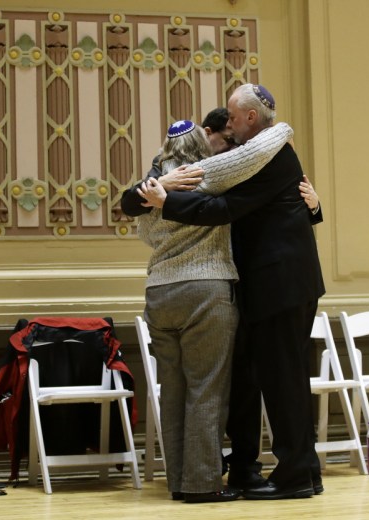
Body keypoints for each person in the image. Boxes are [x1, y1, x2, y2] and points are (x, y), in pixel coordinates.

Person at [136, 84, 326, 500]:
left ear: (251, 120)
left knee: (282, 381)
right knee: (272, 380)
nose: (228, 124)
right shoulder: (250, 157)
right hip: (263, 285)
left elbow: (225, 209)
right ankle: (291, 471)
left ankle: (294, 476)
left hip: (278, 284)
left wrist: (163, 201)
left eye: (234, 119)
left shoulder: (268, 154)